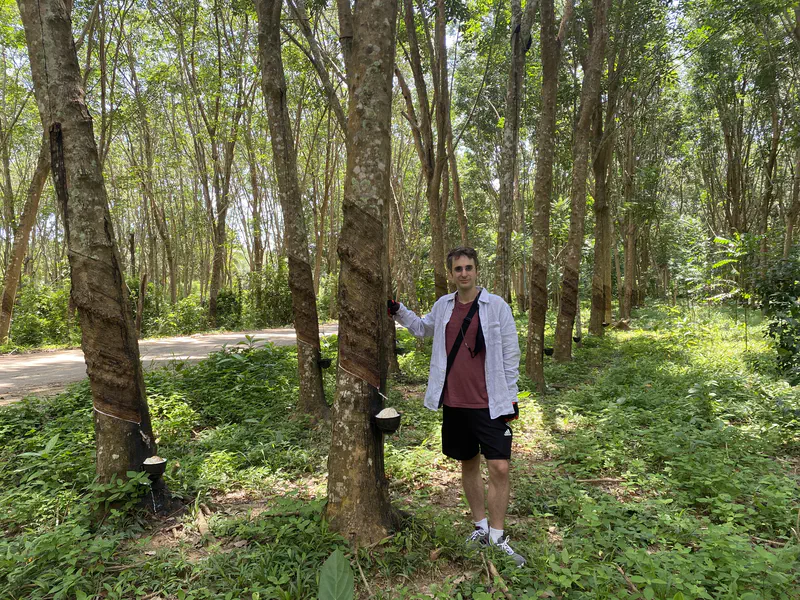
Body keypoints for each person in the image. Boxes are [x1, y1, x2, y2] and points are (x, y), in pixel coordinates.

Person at [388, 247, 525, 567]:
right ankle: (480, 528)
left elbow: (511, 353)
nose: (464, 273)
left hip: (490, 402)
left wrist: (510, 398)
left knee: (500, 467)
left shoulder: (496, 307)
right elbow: (423, 328)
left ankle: (498, 536)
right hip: (455, 402)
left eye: (469, 268)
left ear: (477, 271)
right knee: (468, 463)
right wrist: (398, 311)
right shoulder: (444, 306)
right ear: (450, 274)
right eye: (458, 269)